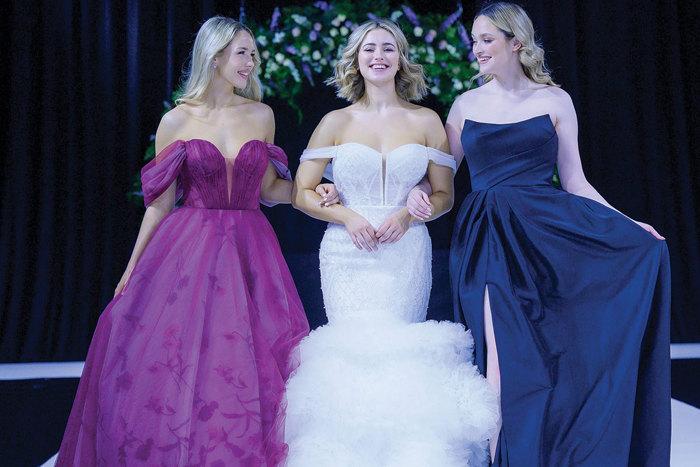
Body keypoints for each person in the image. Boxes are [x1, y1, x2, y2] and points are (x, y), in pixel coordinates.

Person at [408, 3, 671, 465]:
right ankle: (498, 458)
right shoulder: (465, 105)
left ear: (516, 42)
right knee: (498, 360)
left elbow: (575, 181)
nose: (477, 48)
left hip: (547, 236)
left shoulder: (554, 100)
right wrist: (417, 191)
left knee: (545, 358)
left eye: (486, 39)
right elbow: (442, 173)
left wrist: (628, 223)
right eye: (474, 40)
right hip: (487, 235)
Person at [56, 16, 317, 466]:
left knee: (248, 356)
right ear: (214, 57)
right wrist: (131, 268)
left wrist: (314, 194)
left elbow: (269, 189)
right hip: (190, 250)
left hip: (250, 248)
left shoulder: (261, 114)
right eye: (243, 53)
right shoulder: (176, 120)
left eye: (253, 53)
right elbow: (159, 204)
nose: (252, 62)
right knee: (188, 357)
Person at [284, 19, 499, 466]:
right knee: (352, 349)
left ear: (400, 57)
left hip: (406, 250)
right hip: (347, 252)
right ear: (356, 60)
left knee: (401, 351)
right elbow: (301, 192)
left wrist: (409, 212)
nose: (378, 56)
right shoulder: (334, 121)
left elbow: (444, 196)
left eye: (387, 48)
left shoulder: (425, 120)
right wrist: (344, 214)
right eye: (368, 49)